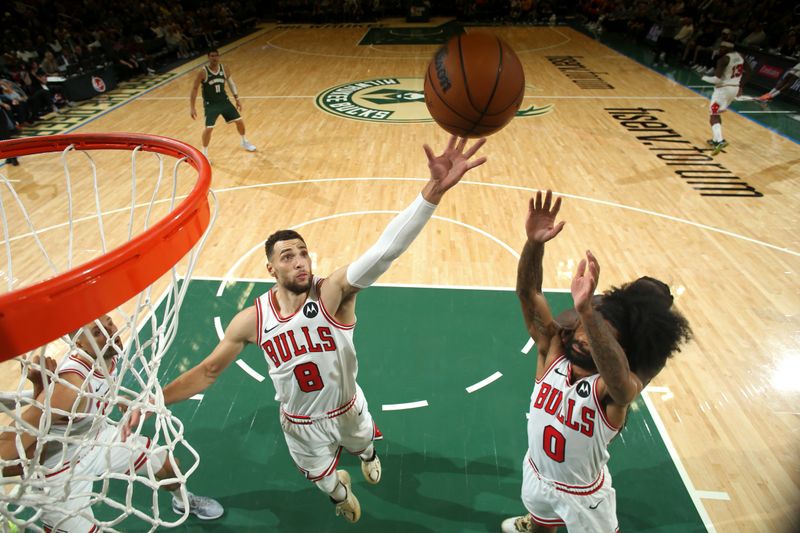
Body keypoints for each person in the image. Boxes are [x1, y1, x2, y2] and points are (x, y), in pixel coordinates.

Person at [137, 135, 487, 524]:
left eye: (303, 252)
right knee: (325, 484)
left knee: (364, 443)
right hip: (299, 422)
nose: (300, 261)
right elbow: (207, 372)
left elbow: (385, 251)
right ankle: (339, 492)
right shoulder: (252, 320)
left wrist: (433, 191)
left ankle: (368, 455)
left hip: (347, 405)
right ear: (271, 269)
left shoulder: (332, 292)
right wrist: (154, 400)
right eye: (288, 257)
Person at [501, 190, 692, 533]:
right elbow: (529, 294)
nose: (586, 337)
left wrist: (588, 313)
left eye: (600, 335)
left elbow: (620, 379)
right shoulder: (553, 354)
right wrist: (534, 244)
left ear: (617, 350)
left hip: (584, 497)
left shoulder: (611, 390)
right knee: (542, 526)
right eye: (584, 329)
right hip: (537, 474)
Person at [0, 315, 224, 531]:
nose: (111, 334)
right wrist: (41, 390)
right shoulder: (69, 388)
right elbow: (7, 455)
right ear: (79, 343)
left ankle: (184, 501)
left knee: (168, 465)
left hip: (98, 438)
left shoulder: (109, 354)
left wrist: (117, 400)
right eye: (98, 332)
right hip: (59, 471)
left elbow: (99, 391)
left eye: (110, 324)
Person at [189, 49, 256, 160]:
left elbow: (231, 83)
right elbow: (194, 89)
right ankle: (204, 153)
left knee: (239, 121)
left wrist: (237, 98)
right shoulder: (203, 72)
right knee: (209, 128)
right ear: (208, 57)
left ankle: (244, 141)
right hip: (211, 105)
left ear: (219, 57)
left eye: (216, 56)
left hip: (224, 101)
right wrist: (192, 107)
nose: (214, 58)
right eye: (212, 56)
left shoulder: (224, 69)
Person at [701, 40, 749, 155]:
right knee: (717, 113)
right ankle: (715, 139)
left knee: (713, 114)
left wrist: (703, 77)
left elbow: (716, 80)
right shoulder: (741, 56)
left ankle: (720, 141)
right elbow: (749, 72)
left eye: (723, 48)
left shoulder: (723, 59)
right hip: (734, 88)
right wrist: (741, 86)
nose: (720, 49)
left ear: (728, 49)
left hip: (723, 90)